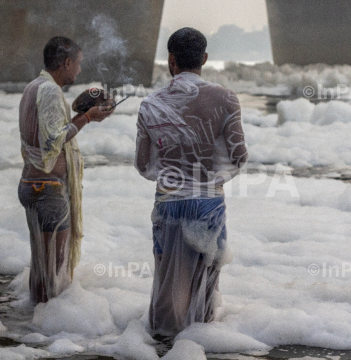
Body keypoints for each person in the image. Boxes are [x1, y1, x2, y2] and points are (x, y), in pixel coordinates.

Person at [135, 27, 248, 338]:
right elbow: (239, 156)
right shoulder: (226, 98)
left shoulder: (151, 104)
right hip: (209, 205)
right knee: (205, 291)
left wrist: (176, 177)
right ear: (205, 59)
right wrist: (209, 180)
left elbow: (144, 165)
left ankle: (162, 349)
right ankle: (201, 347)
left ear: (171, 59)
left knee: (167, 291)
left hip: (169, 204)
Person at [18, 36, 113, 303]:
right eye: (78, 64)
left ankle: (35, 325)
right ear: (67, 62)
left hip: (34, 185)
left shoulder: (33, 87)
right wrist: (87, 117)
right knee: (54, 270)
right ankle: (46, 331)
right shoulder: (49, 91)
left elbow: (49, 135)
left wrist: (84, 117)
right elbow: (53, 140)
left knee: (42, 269)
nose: (80, 70)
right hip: (47, 190)